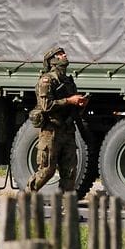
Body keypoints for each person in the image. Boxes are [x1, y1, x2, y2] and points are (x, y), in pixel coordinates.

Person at [28, 46, 88, 193]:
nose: (64, 55)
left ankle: (66, 210)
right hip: (51, 131)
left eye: (63, 53)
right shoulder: (47, 80)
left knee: (69, 172)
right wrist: (69, 101)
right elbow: (46, 106)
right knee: (47, 170)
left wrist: (80, 104)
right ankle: (26, 198)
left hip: (67, 130)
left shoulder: (68, 81)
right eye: (60, 54)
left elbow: (73, 106)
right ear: (53, 60)